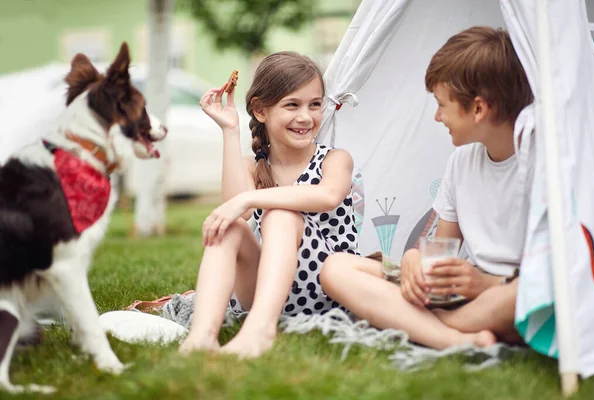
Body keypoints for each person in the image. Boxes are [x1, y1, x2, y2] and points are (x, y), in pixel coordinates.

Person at [320, 26, 534, 350]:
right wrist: (413, 261)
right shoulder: (461, 161)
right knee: (337, 268)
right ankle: (457, 336)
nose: (436, 116)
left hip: (510, 293)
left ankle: (422, 325)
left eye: (441, 104)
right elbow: (441, 249)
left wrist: (485, 284)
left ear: (478, 109)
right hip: (460, 295)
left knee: (523, 298)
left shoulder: (546, 167)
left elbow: (561, 271)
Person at [178, 52, 360, 358]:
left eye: (314, 104)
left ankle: (260, 331)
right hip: (265, 289)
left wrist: (250, 198)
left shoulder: (335, 159)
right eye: (292, 105)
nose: (306, 116)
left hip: (325, 290)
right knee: (231, 228)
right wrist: (230, 130)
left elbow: (327, 196)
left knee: (280, 216)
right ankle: (202, 336)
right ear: (261, 111)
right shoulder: (254, 166)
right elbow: (239, 211)